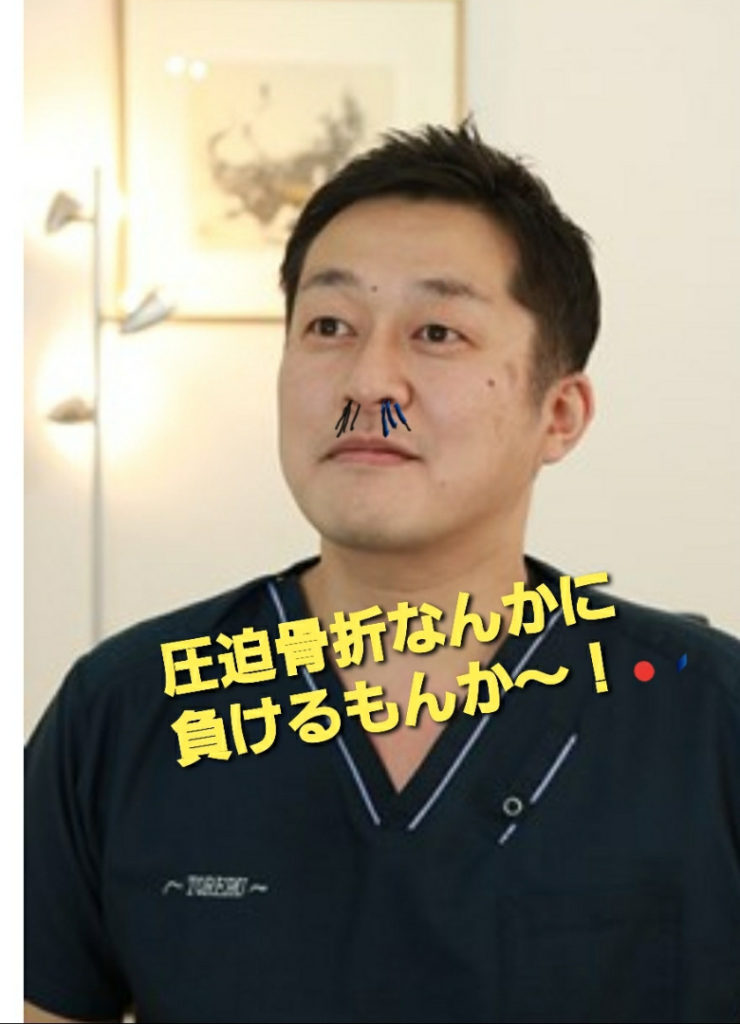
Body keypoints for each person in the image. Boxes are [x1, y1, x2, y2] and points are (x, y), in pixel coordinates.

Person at [25, 121, 740, 1023]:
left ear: (559, 414)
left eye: (437, 331)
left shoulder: (706, 717)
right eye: (329, 326)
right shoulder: (123, 713)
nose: (369, 383)